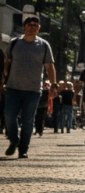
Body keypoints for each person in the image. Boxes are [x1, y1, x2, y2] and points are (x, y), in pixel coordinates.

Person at [3, 13, 58, 158]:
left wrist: (54, 84)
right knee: (9, 116)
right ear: (24, 27)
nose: (32, 27)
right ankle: (14, 140)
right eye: (29, 25)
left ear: (39, 28)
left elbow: (49, 66)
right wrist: (5, 73)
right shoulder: (14, 42)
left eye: (35, 25)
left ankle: (23, 149)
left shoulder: (44, 45)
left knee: (28, 120)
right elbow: (8, 61)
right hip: (13, 87)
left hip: (33, 89)